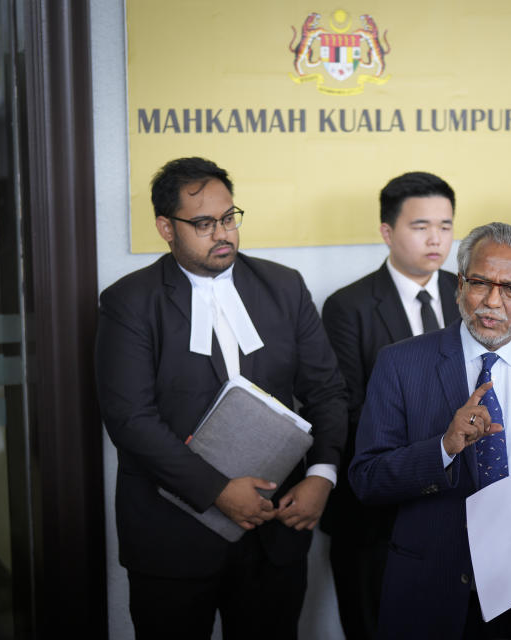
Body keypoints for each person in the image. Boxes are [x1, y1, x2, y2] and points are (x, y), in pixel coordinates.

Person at [96, 157, 346, 640]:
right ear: (165, 228)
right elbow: (130, 420)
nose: (223, 233)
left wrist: (322, 476)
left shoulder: (283, 285)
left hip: (276, 527)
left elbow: (327, 391)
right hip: (172, 534)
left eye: (229, 218)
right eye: (204, 223)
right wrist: (217, 492)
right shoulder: (129, 301)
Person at [349, 222, 511, 640]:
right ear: (459, 285)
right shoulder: (401, 364)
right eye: (480, 283)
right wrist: (442, 447)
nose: (492, 302)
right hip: (433, 585)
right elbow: (366, 480)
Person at [319, 171, 460, 639]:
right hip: (378, 510)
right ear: (387, 232)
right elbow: (350, 408)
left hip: (460, 501)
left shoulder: (470, 294)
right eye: (421, 226)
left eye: (445, 224)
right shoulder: (349, 306)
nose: (436, 238)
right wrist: (436, 448)